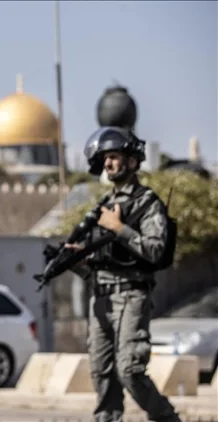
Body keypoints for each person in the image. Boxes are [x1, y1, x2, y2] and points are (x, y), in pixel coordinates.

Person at [67, 126, 180, 422]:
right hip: (100, 297)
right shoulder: (102, 207)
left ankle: (167, 418)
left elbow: (155, 250)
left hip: (131, 295)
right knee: (101, 372)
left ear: (132, 161)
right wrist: (75, 258)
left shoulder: (147, 203)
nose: (108, 163)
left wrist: (119, 228)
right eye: (105, 158)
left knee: (129, 370)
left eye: (115, 156)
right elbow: (100, 264)